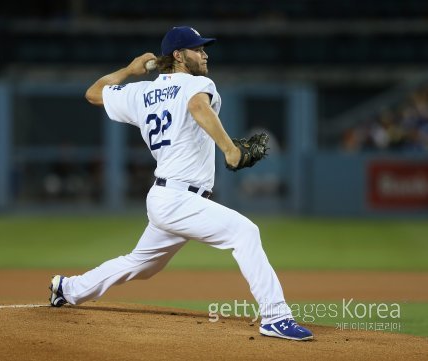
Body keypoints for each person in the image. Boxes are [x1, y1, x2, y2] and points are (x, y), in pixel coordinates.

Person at [49, 26, 313, 341]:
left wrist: (130, 70)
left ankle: (67, 288)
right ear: (178, 55)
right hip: (178, 199)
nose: (204, 53)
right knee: (246, 233)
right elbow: (197, 106)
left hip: (166, 197)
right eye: (197, 49)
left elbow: (93, 93)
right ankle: (276, 317)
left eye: (203, 48)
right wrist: (230, 150)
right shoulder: (198, 83)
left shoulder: (141, 92)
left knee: (142, 265)